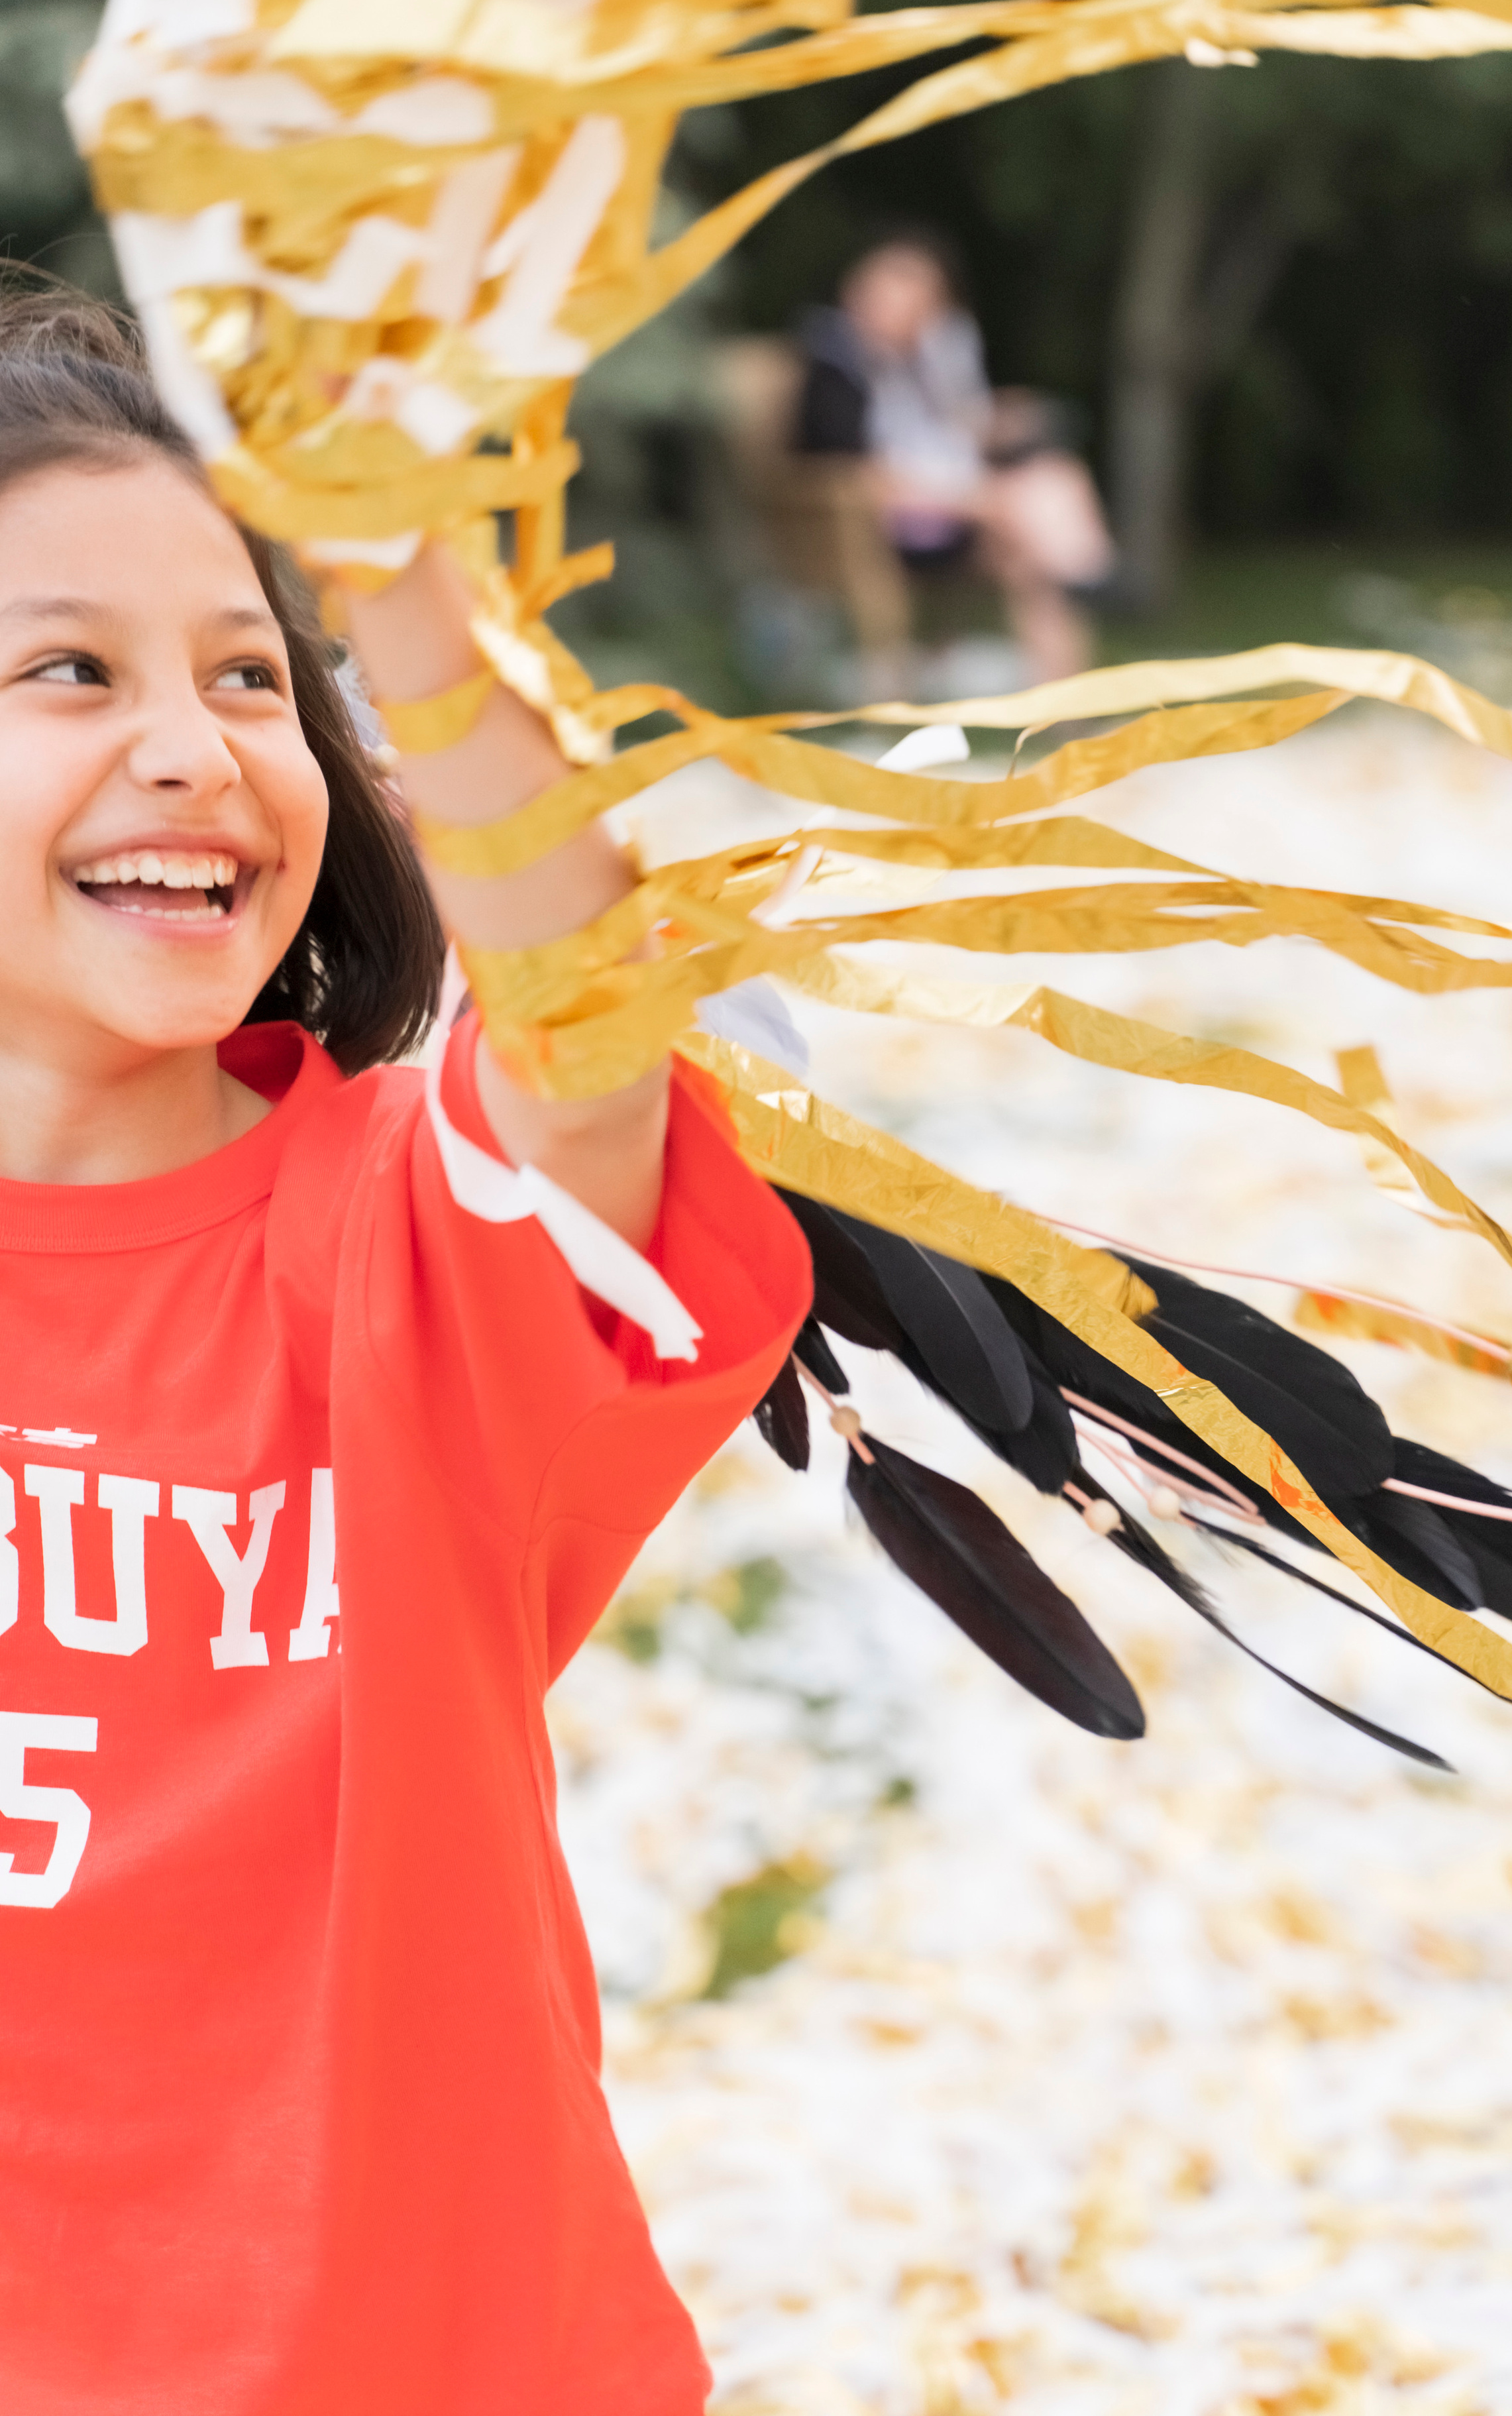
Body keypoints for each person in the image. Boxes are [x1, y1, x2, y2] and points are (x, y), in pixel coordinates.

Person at [0, 290, 810, 2415]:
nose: (196, 742)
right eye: (69, 666)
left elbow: (581, 1029)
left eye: (255, 673)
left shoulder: (391, 1235)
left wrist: (406, 580)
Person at [793, 234, 1116, 683]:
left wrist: (1003, 418)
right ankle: (1093, 579)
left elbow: (959, 430)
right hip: (881, 525)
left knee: (1054, 486)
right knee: (1026, 521)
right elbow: (852, 471)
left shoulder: (927, 362)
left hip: (960, 513)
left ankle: (1067, 697)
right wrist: (972, 501)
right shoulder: (836, 367)